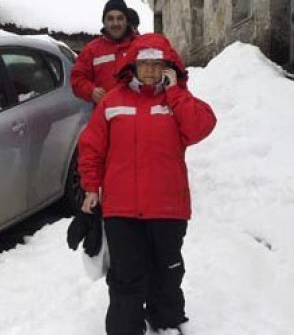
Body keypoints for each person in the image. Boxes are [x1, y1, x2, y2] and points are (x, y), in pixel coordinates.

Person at [77, 34, 217, 335]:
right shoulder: (113, 102)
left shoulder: (179, 100)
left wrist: (175, 92)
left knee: (166, 272)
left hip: (167, 206)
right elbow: (91, 147)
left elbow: (199, 128)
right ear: (133, 66)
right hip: (121, 209)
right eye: (145, 64)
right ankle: (125, 329)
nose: (151, 70)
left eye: (158, 64)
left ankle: (166, 321)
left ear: (169, 68)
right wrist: (91, 188)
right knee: (125, 275)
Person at [71, 0, 137, 104]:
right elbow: (77, 78)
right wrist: (91, 91)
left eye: (120, 18)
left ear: (127, 21)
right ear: (104, 22)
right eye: (110, 18)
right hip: (105, 115)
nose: (115, 23)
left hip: (136, 115)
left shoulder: (140, 45)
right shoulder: (91, 50)